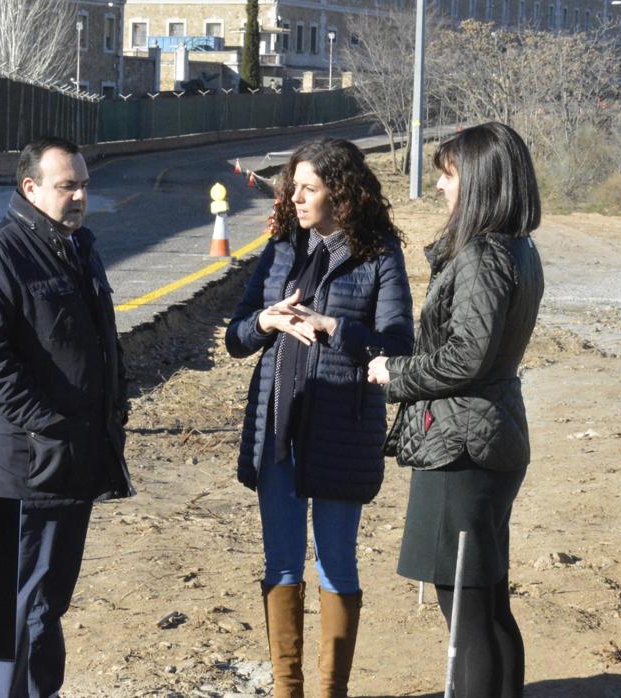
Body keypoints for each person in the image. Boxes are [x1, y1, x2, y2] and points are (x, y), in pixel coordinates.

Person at [225, 138, 414, 698]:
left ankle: (331, 692)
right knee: (281, 564)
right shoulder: (282, 246)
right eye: (294, 188)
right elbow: (237, 338)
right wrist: (267, 321)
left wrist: (334, 328)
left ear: (342, 194)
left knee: (336, 564)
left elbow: (398, 344)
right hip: (277, 426)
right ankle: (288, 690)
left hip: (341, 431)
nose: (296, 198)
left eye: (309, 188)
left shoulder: (379, 253)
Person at [367, 122, 544, 698]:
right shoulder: (516, 249)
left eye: (449, 175)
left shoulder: (483, 256)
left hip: (462, 446)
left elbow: (466, 357)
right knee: (487, 602)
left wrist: (394, 374)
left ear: (481, 181)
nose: (442, 188)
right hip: (484, 435)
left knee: (467, 612)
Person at [0, 136, 133, 698]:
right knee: (9, 613)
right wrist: (48, 426)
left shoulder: (78, 247)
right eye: (68, 186)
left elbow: (99, 342)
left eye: (84, 184)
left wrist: (111, 411)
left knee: (46, 605)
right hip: (16, 468)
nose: (80, 195)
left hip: (70, 462)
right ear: (30, 188)